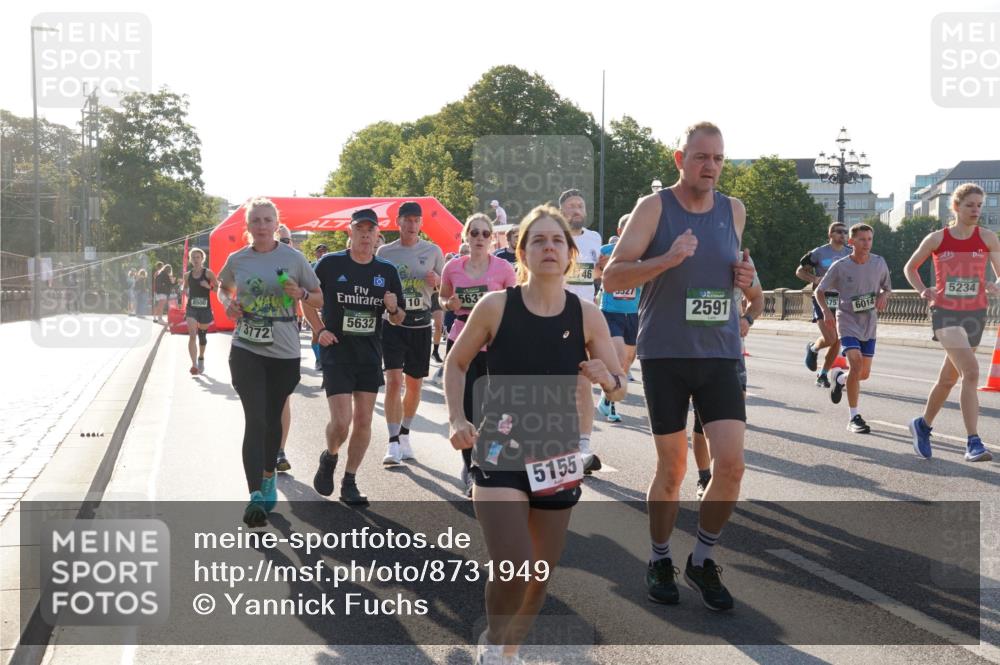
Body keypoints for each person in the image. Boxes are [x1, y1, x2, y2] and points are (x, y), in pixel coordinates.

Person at [446, 205, 625, 663]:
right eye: (538, 240)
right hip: (500, 444)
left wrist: (607, 378)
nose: (549, 247)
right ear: (522, 253)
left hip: (556, 450)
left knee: (538, 574)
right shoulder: (496, 306)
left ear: (569, 254)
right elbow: (457, 363)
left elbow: (619, 388)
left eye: (557, 240)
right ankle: (493, 644)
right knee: (513, 563)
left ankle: (509, 651)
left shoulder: (587, 315)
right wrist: (457, 419)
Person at [602, 121, 756, 611]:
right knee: (672, 469)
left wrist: (748, 278)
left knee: (731, 466)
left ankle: (702, 560)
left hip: (721, 353)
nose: (710, 167)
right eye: (700, 157)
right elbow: (613, 278)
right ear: (679, 159)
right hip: (666, 354)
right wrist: (667, 259)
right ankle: (660, 557)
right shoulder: (654, 208)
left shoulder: (734, 210)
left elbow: (742, 279)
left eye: (718, 158)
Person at [217, 197, 322, 527]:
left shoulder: (294, 258)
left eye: (267, 220)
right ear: (247, 225)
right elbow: (224, 288)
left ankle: (268, 476)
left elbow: (319, 297)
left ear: (276, 225)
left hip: (284, 350)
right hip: (246, 347)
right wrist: (228, 304)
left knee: (273, 418)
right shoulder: (238, 259)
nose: (261, 226)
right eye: (256, 220)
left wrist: (301, 295)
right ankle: (254, 496)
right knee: (256, 419)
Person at [310, 209, 405, 505]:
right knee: (342, 422)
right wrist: (319, 330)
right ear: (349, 233)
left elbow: (399, 318)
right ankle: (330, 456)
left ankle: (350, 480)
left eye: (370, 230)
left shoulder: (387, 271)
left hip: (369, 354)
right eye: (359, 229)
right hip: (337, 351)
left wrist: (393, 308)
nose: (365, 235)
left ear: (377, 236)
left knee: (363, 421)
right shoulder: (329, 264)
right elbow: (307, 300)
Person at [904, 183, 1000, 462]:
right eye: (970, 205)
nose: (976, 210)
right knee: (971, 371)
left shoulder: (988, 238)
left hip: (975, 313)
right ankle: (973, 442)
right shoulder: (937, 239)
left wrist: (995, 285)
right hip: (945, 312)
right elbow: (910, 267)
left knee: (948, 379)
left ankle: (922, 425)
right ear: (956, 207)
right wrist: (923, 290)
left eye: (979, 205)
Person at [439, 213, 517, 496]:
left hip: (494, 344)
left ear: (492, 238)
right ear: (466, 237)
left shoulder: (503, 268)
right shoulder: (452, 267)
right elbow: (442, 297)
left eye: (485, 233)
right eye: (474, 233)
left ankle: (489, 460)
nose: (480, 238)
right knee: (468, 408)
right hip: (462, 341)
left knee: (496, 410)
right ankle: (471, 467)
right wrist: (449, 303)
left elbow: (514, 303)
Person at [376, 201, 446, 464]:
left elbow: (445, 288)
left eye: (416, 220)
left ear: (421, 223)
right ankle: (393, 441)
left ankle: (405, 433)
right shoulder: (385, 251)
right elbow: (378, 284)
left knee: (415, 385)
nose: (412, 225)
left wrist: (437, 281)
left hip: (420, 325)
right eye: (407, 220)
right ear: (398, 222)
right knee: (394, 381)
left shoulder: (433, 251)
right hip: (393, 324)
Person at [692, 274, 764, 500]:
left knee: (735, 414)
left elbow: (758, 298)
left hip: (731, 351)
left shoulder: (740, 260)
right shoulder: (688, 258)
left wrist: (747, 319)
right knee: (701, 419)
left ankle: (725, 474)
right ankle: (705, 476)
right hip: (695, 349)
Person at [815, 223, 892, 435]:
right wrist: (826, 312)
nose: (866, 243)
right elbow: (819, 291)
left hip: (869, 323)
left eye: (869, 239)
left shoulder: (879, 262)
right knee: (855, 363)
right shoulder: (840, 266)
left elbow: (887, 287)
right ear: (851, 242)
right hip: (847, 320)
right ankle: (853, 417)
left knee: (862, 374)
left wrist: (884, 295)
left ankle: (840, 378)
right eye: (861, 239)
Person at [559, 189, 604, 474]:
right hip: (554, 316)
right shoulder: (555, 236)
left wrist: (601, 269)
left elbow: (595, 275)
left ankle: (583, 445)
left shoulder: (594, 238)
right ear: (561, 211)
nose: (577, 210)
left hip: (585, 319)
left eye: (581, 205)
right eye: (572, 206)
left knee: (583, 382)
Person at [595, 214, 641, 423]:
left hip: (633, 313)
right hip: (610, 312)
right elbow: (593, 275)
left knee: (627, 361)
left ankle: (606, 398)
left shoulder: (644, 253)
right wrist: (600, 268)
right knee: (619, 357)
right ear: (620, 231)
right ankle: (612, 403)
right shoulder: (606, 251)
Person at [798, 222, 852, 387]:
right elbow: (799, 271)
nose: (843, 235)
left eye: (845, 232)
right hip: (822, 298)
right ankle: (813, 348)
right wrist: (814, 279)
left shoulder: (850, 252)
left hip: (842, 299)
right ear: (830, 234)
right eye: (839, 232)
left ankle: (822, 375)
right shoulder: (819, 253)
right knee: (830, 338)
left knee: (837, 341)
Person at [181, 248, 217, 375]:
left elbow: (218, 288)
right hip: (192, 308)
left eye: (198, 257)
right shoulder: (187, 275)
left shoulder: (208, 273)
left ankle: (201, 357)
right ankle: (194, 364)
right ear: (190, 260)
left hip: (205, 309)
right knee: (192, 335)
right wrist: (184, 291)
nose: (196, 259)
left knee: (202, 336)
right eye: (193, 257)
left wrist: (208, 286)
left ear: (202, 259)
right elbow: (185, 288)